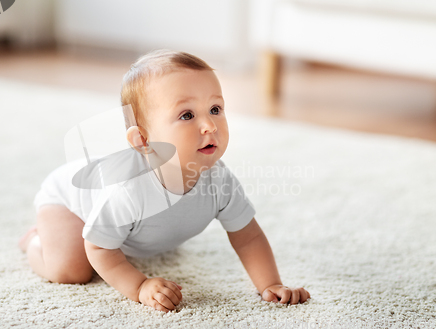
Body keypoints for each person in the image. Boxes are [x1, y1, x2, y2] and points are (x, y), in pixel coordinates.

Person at [19, 49, 311, 312]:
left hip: (123, 219)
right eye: (187, 115)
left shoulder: (220, 180)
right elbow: (99, 248)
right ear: (144, 140)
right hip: (70, 200)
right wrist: (140, 286)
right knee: (71, 271)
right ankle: (35, 239)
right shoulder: (128, 189)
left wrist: (270, 283)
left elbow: (248, 238)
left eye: (215, 109)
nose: (209, 125)